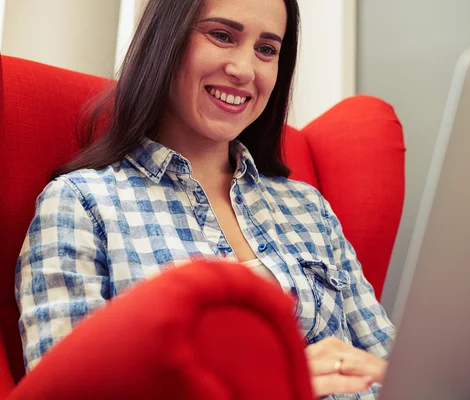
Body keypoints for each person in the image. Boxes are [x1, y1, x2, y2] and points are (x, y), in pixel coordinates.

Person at [14, 0, 395, 398]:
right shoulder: (81, 205)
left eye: (266, 49)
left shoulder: (309, 207)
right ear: (167, 41)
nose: (244, 70)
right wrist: (274, 386)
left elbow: (387, 362)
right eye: (221, 35)